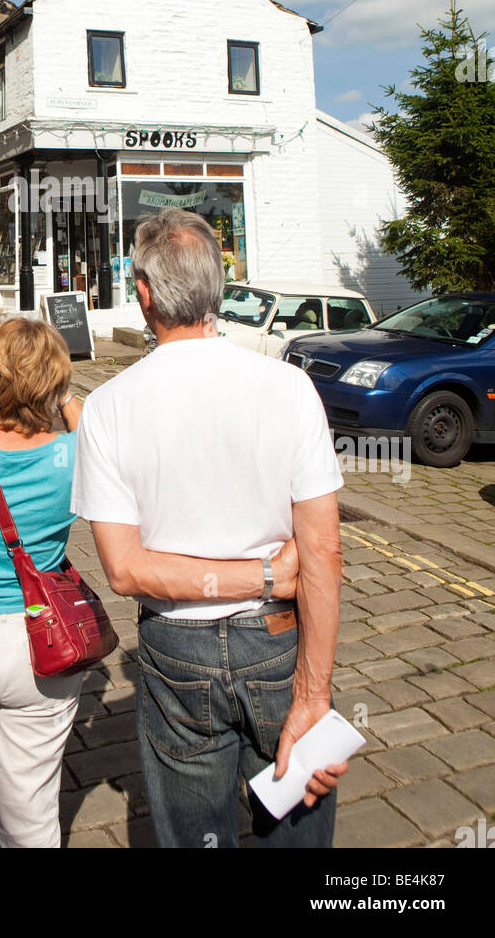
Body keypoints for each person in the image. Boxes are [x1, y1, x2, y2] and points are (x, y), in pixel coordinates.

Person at [0, 317, 299, 850]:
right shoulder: (74, 456)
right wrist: (62, 391)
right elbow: (98, 437)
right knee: (30, 805)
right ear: (54, 382)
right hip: (45, 641)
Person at [72, 207, 347, 849]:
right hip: (280, 638)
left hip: (175, 647)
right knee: (297, 820)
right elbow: (324, 549)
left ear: (144, 294)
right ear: (217, 289)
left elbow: (124, 569)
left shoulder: (108, 407)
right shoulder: (289, 388)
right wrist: (315, 692)